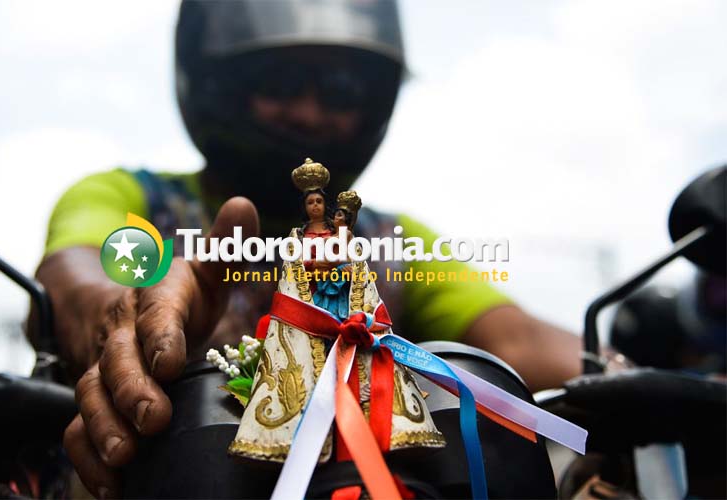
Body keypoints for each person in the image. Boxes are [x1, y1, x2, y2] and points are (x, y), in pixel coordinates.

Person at [31, 1, 584, 497]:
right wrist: (126, 316)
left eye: (341, 93)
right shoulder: (130, 199)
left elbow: (515, 338)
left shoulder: (393, 241)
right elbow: (72, 279)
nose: (309, 114)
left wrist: (631, 360)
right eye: (279, 83)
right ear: (216, 84)